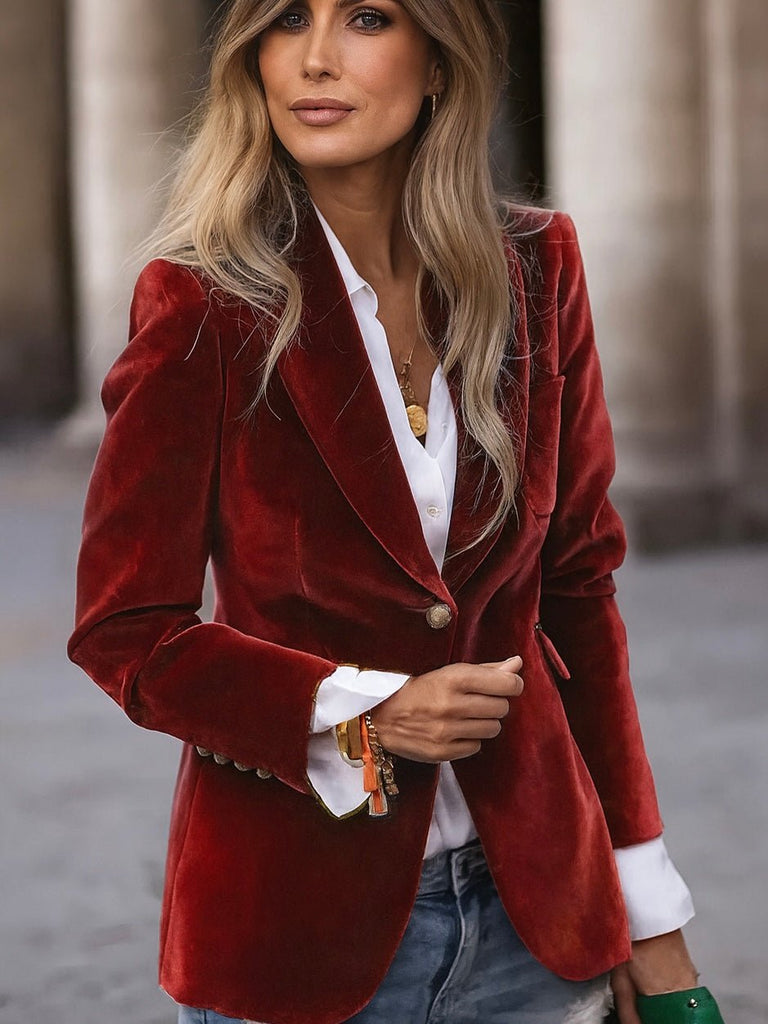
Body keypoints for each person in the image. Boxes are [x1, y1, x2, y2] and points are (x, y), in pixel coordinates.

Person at [67, 1, 707, 1022]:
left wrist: (650, 912)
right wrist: (360, 712)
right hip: (294, 937)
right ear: (252, 63)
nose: (317, 58)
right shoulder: (203, 305)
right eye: (285, 21)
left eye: (365, 17)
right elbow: (126, 630)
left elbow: (579, 592)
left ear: (439, 61)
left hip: (537, 926)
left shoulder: (538, 269)